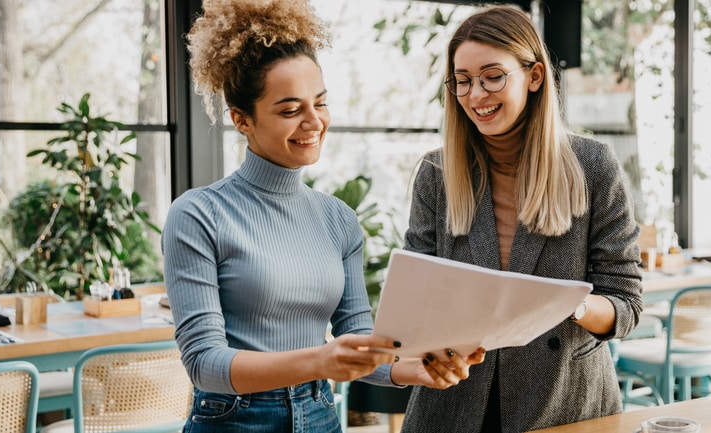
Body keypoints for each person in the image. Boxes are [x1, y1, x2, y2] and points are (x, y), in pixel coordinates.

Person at [161, 1, 484, 432]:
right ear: (242, 120)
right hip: (234, 420)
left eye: (321, 103)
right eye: (290, 110)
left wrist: (412, 369)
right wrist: (321, 359)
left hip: (320, 414)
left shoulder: (338, 219)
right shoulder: (199, 214)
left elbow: (360, 343)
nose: (314, 122)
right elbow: (205, 365)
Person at [399, 5, 643, 433]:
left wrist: (571, 304)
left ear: (534, 77)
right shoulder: (437, 175)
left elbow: (626, 304)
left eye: (493, 76)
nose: (476, 95)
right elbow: (417, 298)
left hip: (565, 404)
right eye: (463, 81)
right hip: (454, 407)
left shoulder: (592, 166)